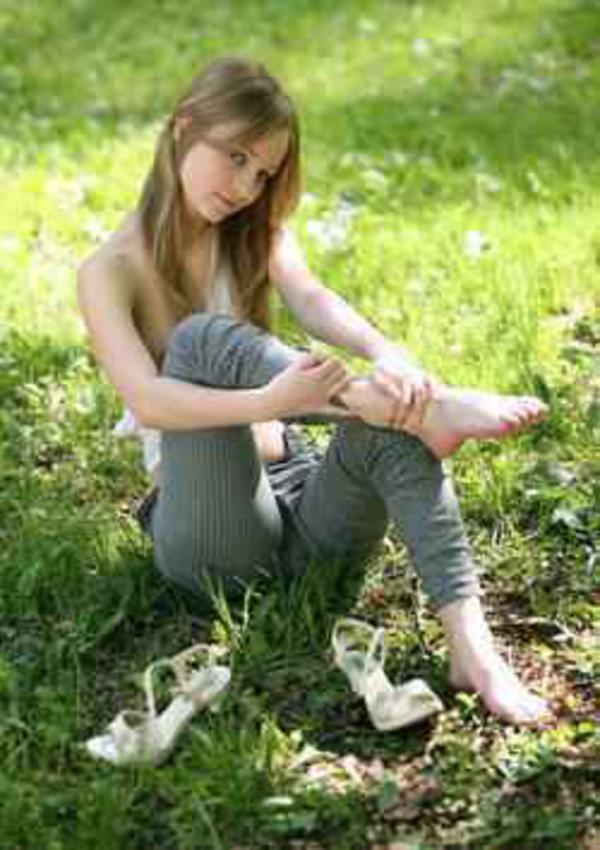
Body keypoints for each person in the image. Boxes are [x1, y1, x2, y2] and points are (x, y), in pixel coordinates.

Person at [77, 57, 550, 725]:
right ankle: (413, 407)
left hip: (303, 521)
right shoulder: (108, 270)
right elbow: (151, 401)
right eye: (236, 157)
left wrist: (387, 353)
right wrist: (268, 404)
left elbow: (313, 299)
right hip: (211, 535)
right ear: (183, 128)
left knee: (386, 436)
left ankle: (474, 654)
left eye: (262, 173)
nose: (246, 186)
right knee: (199, 341)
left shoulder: (251, 232)